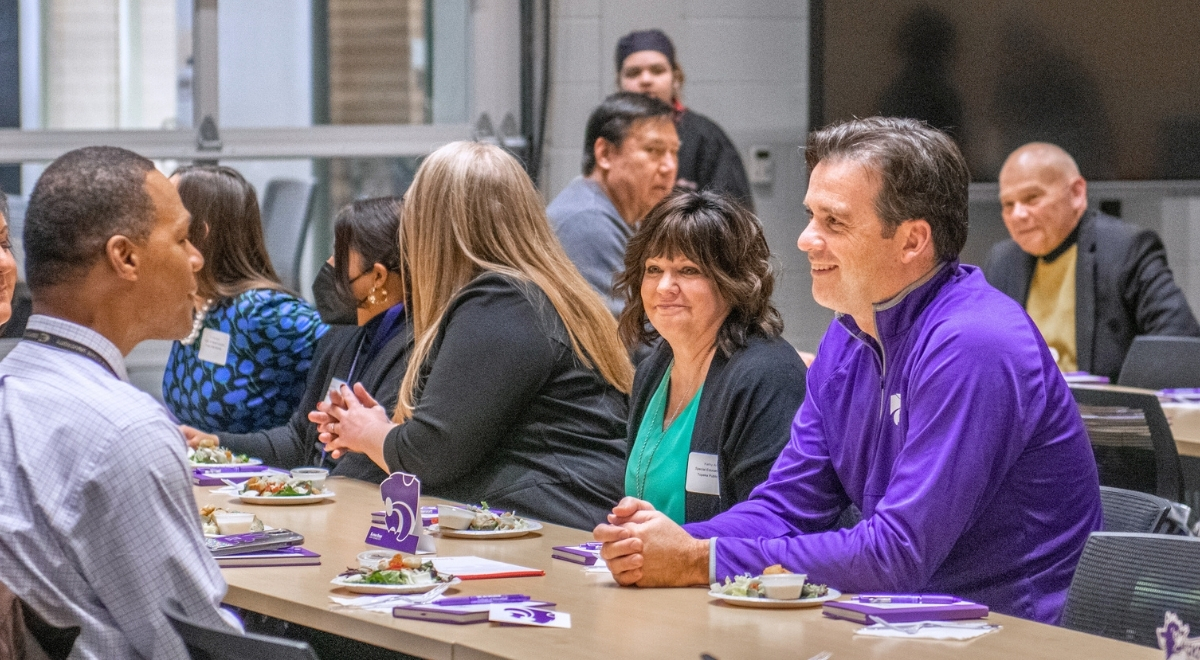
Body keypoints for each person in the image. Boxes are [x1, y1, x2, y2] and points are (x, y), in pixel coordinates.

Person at [593, 118, 1102, 625]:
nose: (805, 239)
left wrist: (697, 560)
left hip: (1009, 635)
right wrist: (665, 544)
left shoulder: (974, 344)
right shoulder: (848, 335)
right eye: (811, 215)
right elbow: (786, 509)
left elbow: (897, 554)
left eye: (833, 222)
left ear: (911, 241)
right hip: (898, 624)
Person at [316, 141, 633, 530]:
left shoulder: (502, 300)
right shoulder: (538, 292)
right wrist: (378, 429)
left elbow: (430, 457)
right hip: (558, 516)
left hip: (552, 527)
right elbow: (453, 438)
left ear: (434, 226)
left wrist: (368, 433)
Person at [0, 146, 228, 658]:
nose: (196, 258)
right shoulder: (125, 430)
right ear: (125, 257)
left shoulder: (11, 385)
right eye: (182, 237)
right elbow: (193, 647)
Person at [182, 197, 409, 483]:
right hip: (318, 493)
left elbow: (368, 468)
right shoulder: (343, 334)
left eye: (339, 254)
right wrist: (215, 442)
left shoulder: (414, 349)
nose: (328, 264)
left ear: (377, 277)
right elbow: (298, 439)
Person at [615, 190, 806, 524]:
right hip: (664, 574)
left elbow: (774, 523)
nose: (664, 286)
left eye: (688, 271)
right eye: (654, 268)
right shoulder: (653, 370)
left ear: (733, 281)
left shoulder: (767, 374)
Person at [984, 142, 1200, 380]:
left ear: (1077, 193)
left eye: (1032, 198)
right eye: (1008, 204)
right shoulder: (1003, 261)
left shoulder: (1126, 248)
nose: (1018, 215)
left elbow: (1178, 345)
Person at [162, 165, 328, 433]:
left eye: (164, 212)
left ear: (198, 233)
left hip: (271, 473)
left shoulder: (263, 311)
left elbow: (356, 355)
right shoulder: (197, 303)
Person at [547, 91, 679, 314]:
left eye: (674, 152)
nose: (669, 167)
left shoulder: (610, 212)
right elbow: (627, 338)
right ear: (605, 154)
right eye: (653, 150)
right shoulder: (587, 221)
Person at [616, 28, 754, 211]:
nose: (646, 80)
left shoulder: (706, 138)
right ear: (619, 83)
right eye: (634, 73)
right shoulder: (611, 137)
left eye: (657, 71)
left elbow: (733, 218)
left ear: (675, 78)